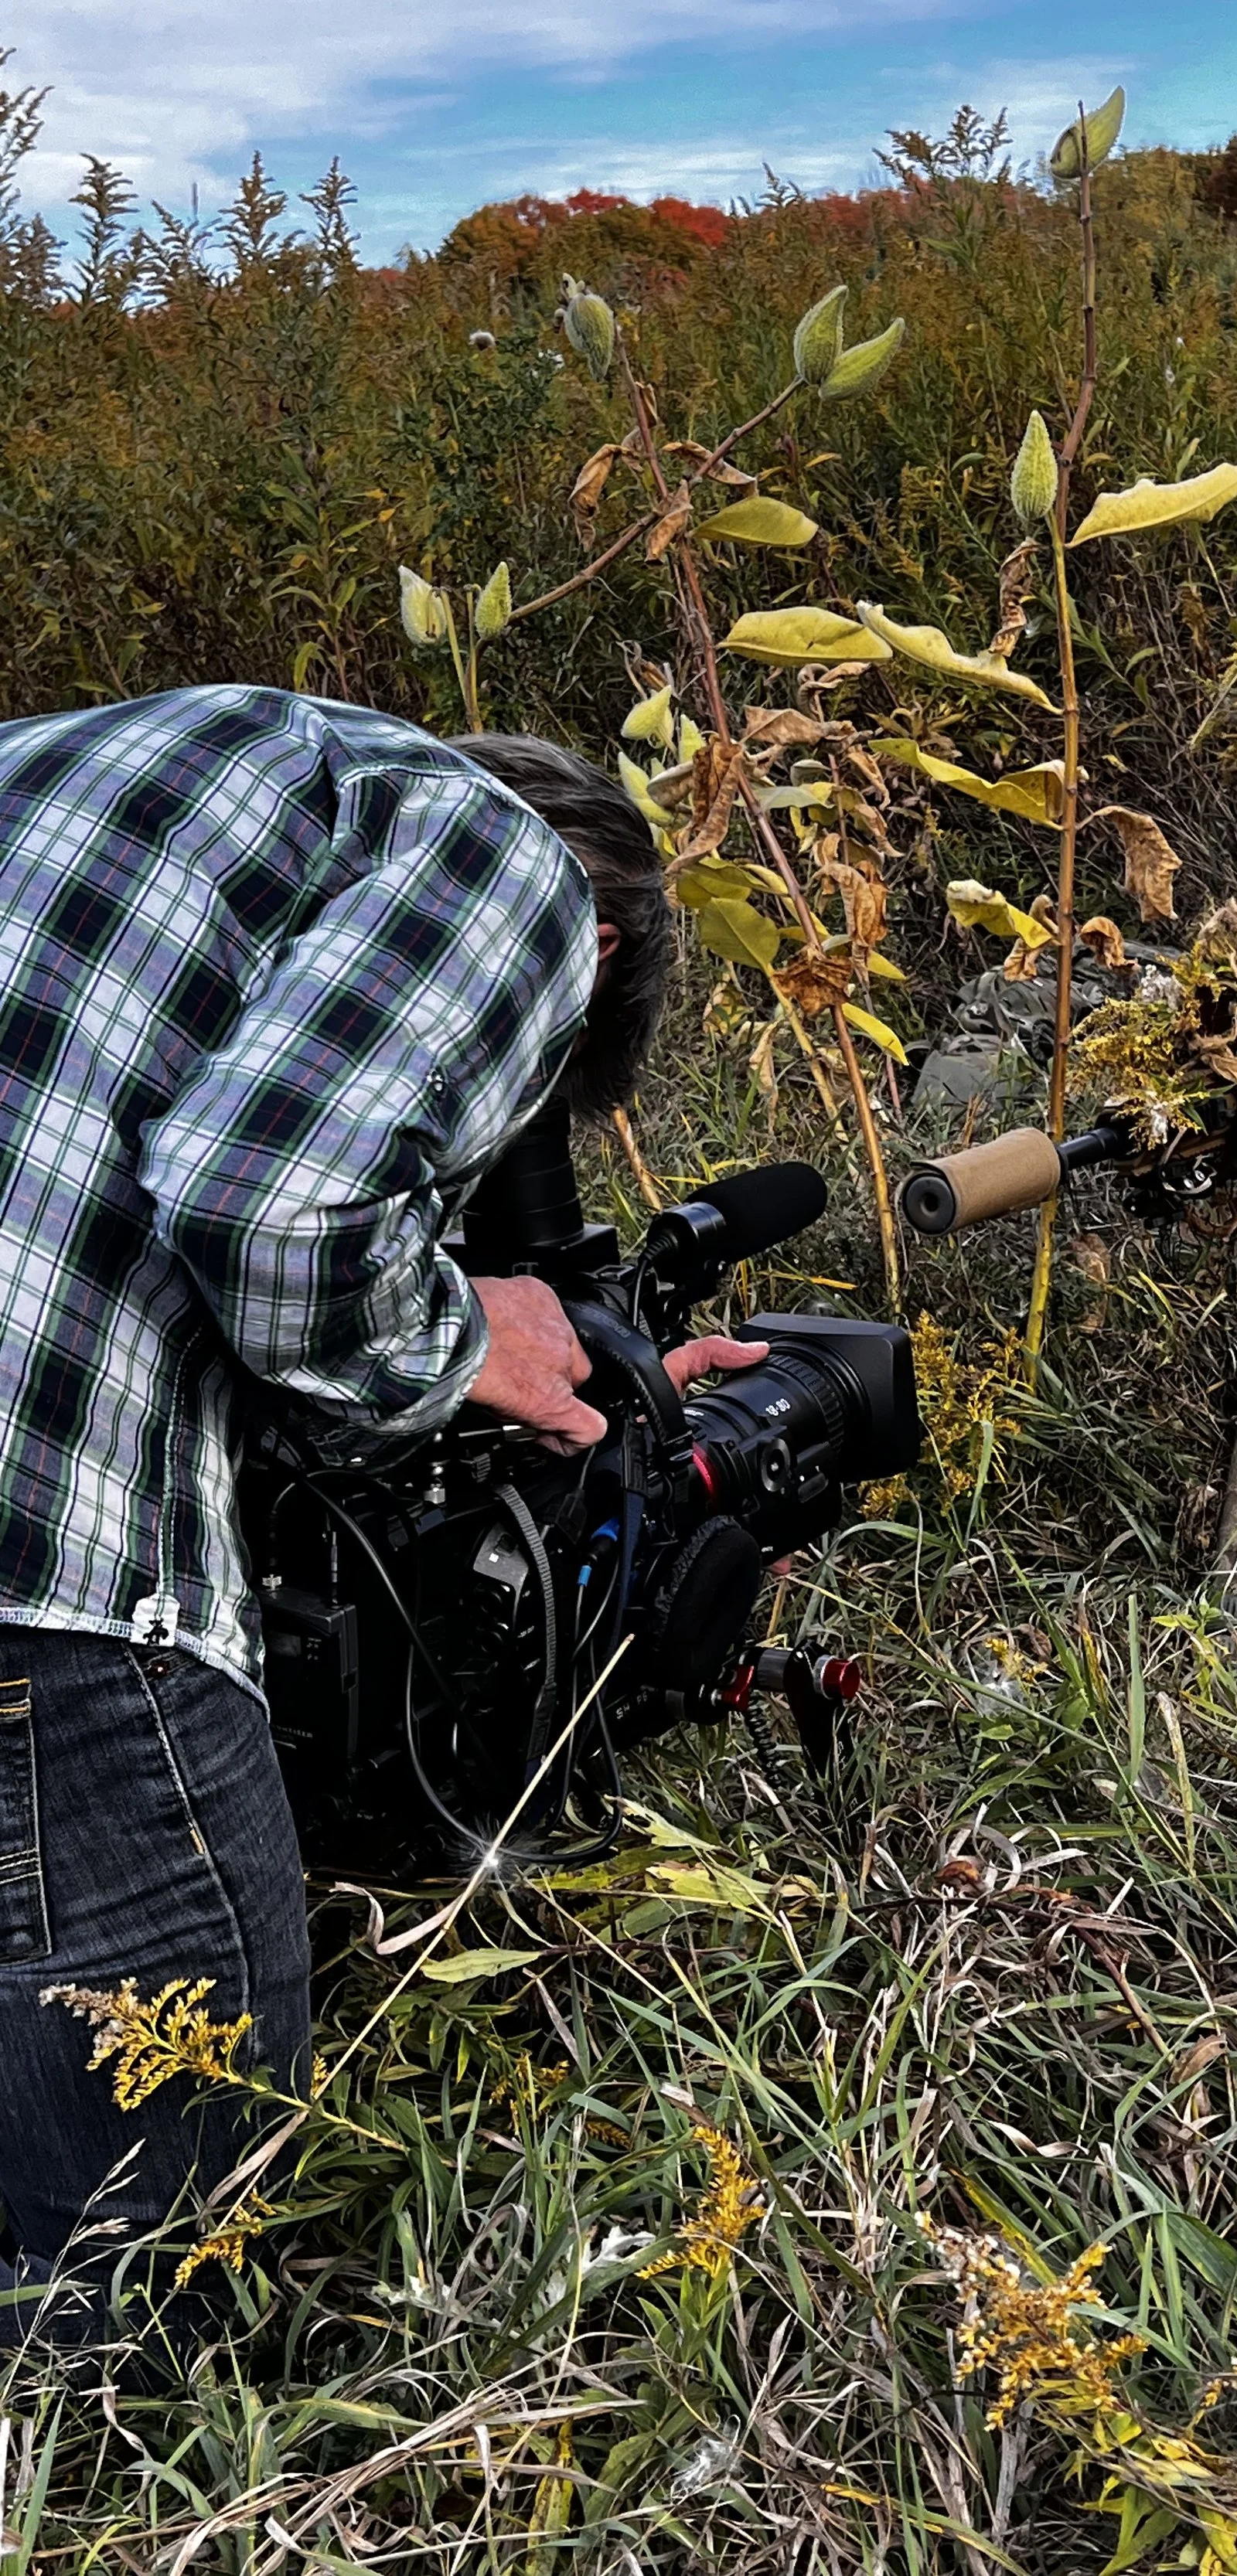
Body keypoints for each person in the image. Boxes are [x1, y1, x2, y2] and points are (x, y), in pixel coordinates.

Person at [0, 686, 758, 2346]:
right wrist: (471, 1332)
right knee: (145, 2275)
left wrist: (581, 1371)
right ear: (599, 956)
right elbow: (269, 1214)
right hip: (34, 1545)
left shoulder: (108, 763)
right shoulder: (508, 866)